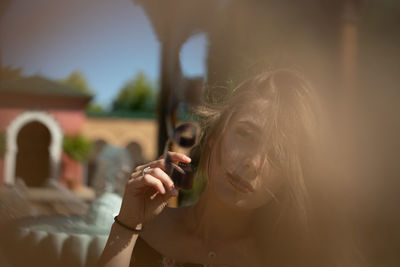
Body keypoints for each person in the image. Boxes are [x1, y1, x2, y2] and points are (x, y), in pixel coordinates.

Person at [96, 70, 333, 267]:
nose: (253, 163)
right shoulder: (144, 229)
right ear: (215, 134)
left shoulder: (287, 260)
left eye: (278, 155)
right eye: (245, 134)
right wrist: (128, 223)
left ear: (288, 177)